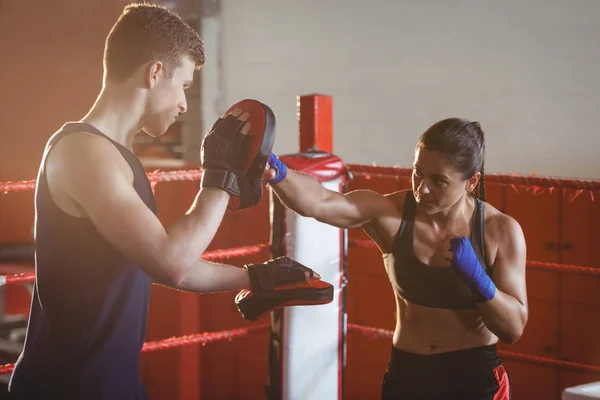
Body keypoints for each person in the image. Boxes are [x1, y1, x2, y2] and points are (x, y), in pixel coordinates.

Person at [8, 4, 318, 399]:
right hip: (69, 385)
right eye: (184, 85)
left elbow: (170, 264)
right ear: (155, 73)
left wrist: (256, 278)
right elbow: (171, 262)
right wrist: (222, 176)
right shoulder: (84, 153)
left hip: (109, 381)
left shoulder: (116, 157)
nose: (185, 104)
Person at [264, 118, 528, 399]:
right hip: (408, 374)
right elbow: (320, 202)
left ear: (472, 182)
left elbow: (513, 329)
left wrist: (478, 280)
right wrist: (274, 172)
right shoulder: (391, 213)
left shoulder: (499, 231)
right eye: (418, 173)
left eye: (439, 180)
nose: (422, 189)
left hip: (474, 377)